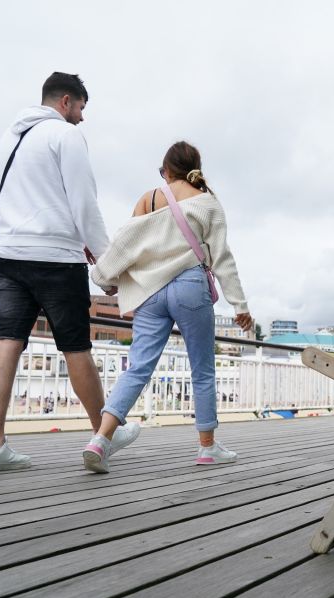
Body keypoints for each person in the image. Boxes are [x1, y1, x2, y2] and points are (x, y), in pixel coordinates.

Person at [0, 72, 140, 472]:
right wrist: (109, 264)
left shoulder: (10, 136)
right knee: (75, 345)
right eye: (81, 107)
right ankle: (105, 435)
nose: (82, 118)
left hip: (9, 254)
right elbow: (84, 204)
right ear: (66, 101)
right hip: (54, 257)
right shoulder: (65, 136)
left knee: (7, 340)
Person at [86, 141, 252, 473]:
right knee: (202, 369)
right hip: (189, 286)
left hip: (149, 292)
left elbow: (126, 245)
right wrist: (240, 304)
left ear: (167, 170)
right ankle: (207, 448)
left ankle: (100, 441)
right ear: (195, 169)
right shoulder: (208, 202)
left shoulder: (147, 200)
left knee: (137, 368)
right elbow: (222, 257)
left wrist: (103, 275)